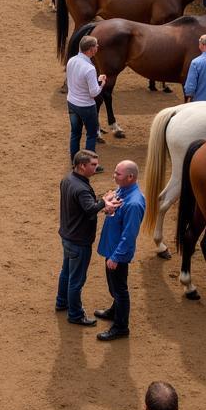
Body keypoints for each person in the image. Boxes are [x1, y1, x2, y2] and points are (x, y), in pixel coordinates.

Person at [57, 151, 122, 326]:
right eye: (93, 164)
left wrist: (101, 201)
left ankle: (61, 302)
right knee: (76, 280)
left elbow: (84, 205)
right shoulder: (81, 188)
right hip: (79, 240)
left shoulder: (68, 179)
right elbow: (90, 209)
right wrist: (105, 202)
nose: (96, 167)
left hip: (67, 235)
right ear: (81, 166)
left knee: (66, 273)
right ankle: (75, 315)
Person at [94, 161, 144, 342]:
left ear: (130, 177)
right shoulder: (122, 191)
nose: (114, 176)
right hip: (111, 247)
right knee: (114, 286)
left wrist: (116, 256)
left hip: (117, 253)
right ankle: (115, 311)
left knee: (120, 289)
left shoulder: (134, 203)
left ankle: (121, 327)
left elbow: (129, 235)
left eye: (118, 174)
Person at [66, 35, 105, 161]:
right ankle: (89, 163)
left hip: (71, 102)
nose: (98, 47)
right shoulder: (90, 69)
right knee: (91, 135)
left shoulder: (71, 61)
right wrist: (102, 83)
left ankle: (74, 160)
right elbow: (94, 93)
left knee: (75, 133)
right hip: (86, 106)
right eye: (96, 45)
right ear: (91, 49)